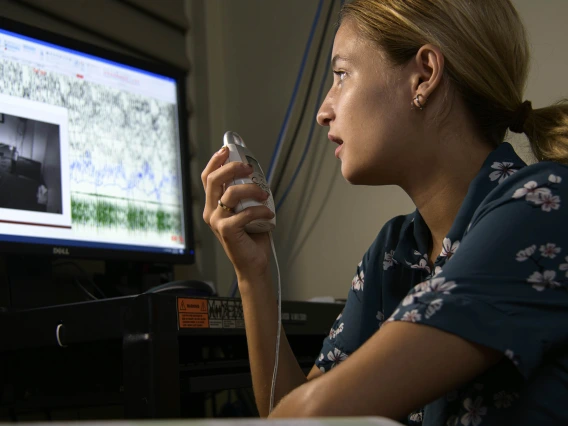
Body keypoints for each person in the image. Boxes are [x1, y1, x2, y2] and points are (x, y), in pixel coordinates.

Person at [201, 0, 568, 424]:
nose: (323, 111)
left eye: (341, 75)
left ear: (424, 75)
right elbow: (292, 411)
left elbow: (309, 417)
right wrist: (255, 274)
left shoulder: (542, 206)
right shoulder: (394, 253)